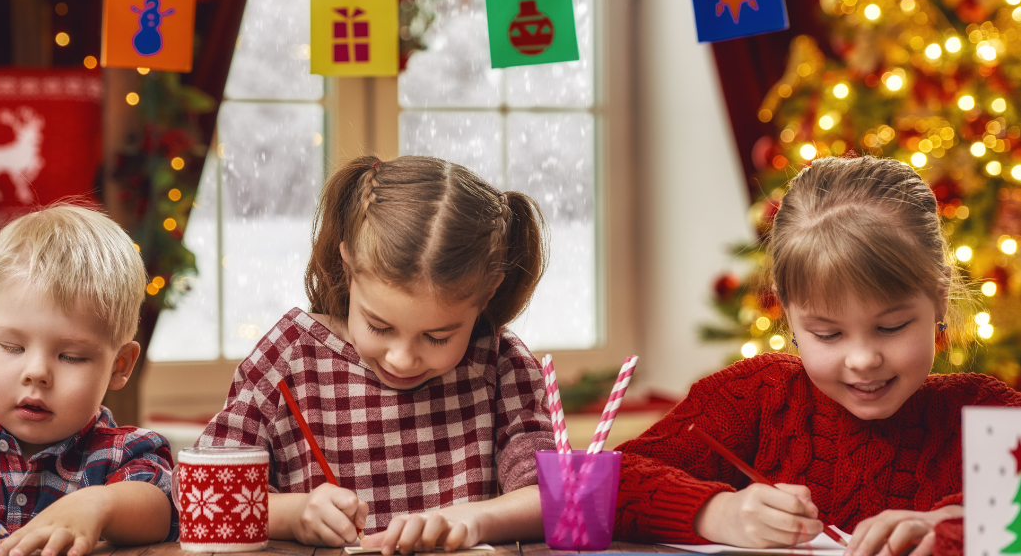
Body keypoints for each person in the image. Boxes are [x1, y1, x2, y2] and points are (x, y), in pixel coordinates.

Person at [614, 155, 1021, 556]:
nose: (862, 359)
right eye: (827, 334)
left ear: (940, 297)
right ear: (788, 314)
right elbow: (607, 483)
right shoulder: (756, 396)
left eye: (891, 327)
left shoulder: (987, 414)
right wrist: (716, 512)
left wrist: (956, 524)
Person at [197, 155, 556, 555]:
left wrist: (471, 519)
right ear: (348, 268)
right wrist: (293, 514)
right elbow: (200, 493)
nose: (402, 359)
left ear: (487, 294)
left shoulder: (501, 366)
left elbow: (554, 497)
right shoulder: (289, 359)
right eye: (380, 327)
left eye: (436, 337)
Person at [0, 205, 177, 556]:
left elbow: (161, 506)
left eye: (71, 357)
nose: (36, 373)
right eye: (13, 346)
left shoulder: (122, 453)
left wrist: (98, 505)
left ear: (119, 366)